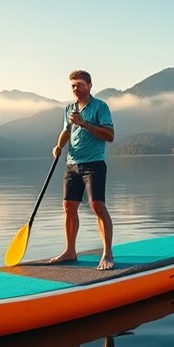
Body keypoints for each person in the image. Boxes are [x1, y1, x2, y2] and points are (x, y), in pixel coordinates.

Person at [49, 70, 115, 270]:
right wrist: (59, 146)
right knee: (68, 207)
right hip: (72, 164)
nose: (75, 88)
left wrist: (84, 123)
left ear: (89, 85)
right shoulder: (69, 108)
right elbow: (66, 131)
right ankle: (70, 251)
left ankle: (107, 253)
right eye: (73, 85)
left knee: (97, 206)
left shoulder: (100, 107)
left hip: (94, 163)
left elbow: (110, 135)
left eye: (79, 84)